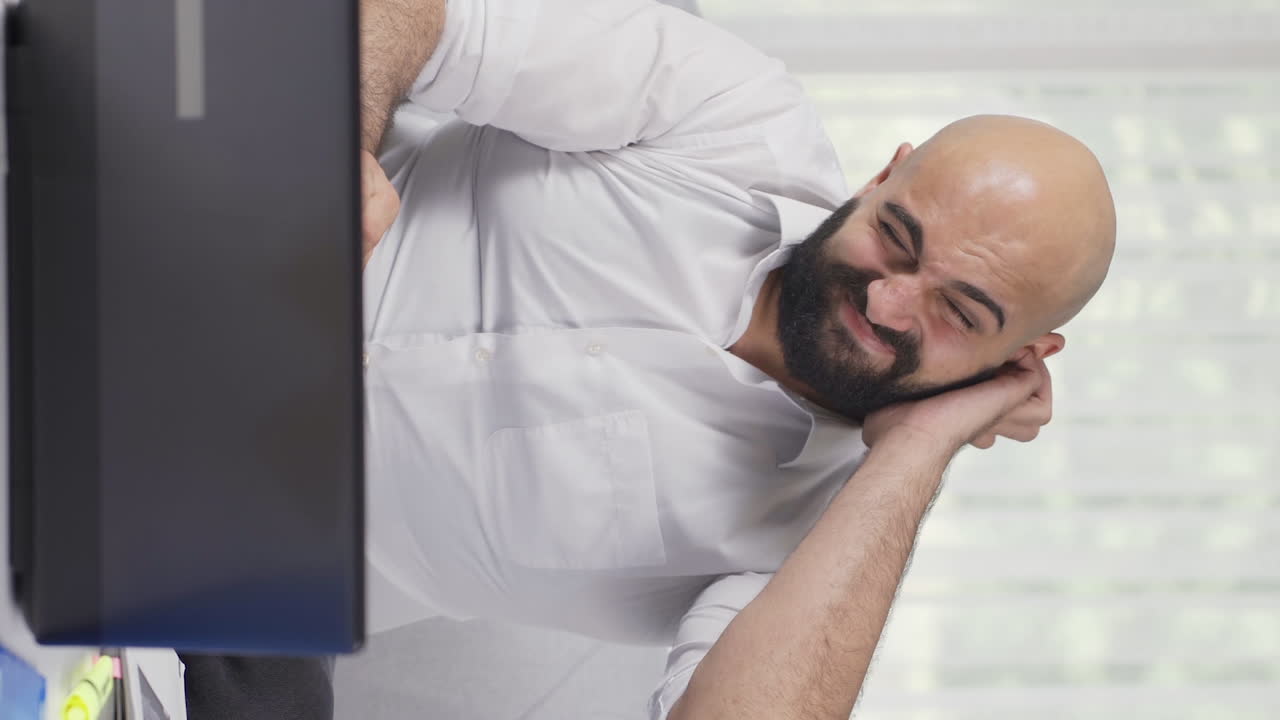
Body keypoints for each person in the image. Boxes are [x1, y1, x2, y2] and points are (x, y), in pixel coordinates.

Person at [184, 0, 1117, 718]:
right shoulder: (736, 114)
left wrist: (922, 446)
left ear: (1022, 360)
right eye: (898, 236)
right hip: (186, 257)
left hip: (200, 557)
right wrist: (333, 149)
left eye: (959, 311)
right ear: (883, 174)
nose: (887, 300)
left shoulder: (813, 540)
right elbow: (421, 18)